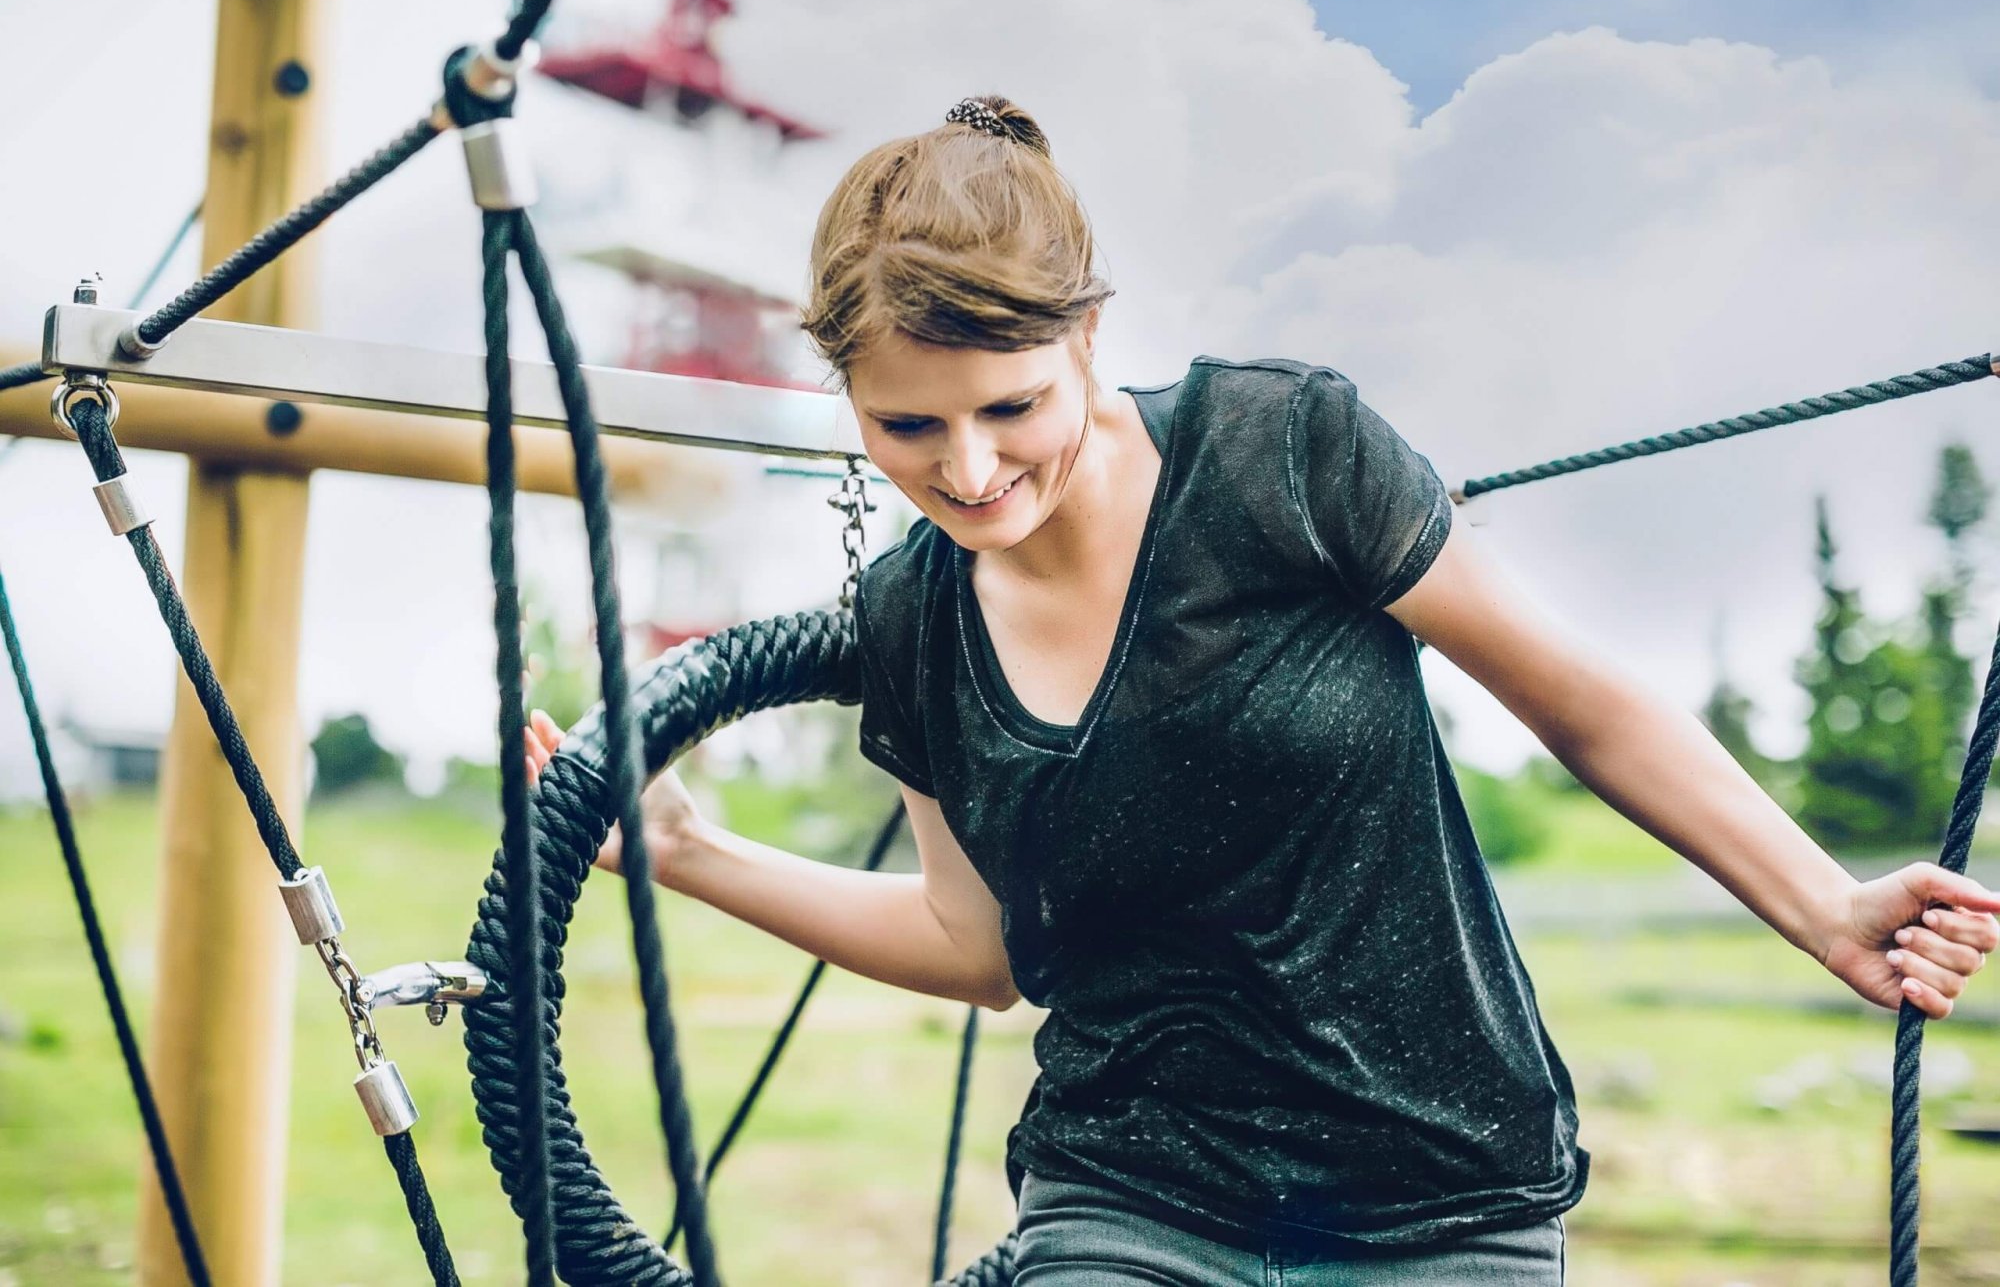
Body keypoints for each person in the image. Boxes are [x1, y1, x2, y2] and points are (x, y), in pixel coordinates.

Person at [524, 95, 2000, 1285]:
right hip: (1132, 1197)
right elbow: (973, 945)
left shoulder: (1288, 453)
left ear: (1087, 338)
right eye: (908, 426)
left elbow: (1582, 704)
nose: (968, 472)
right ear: (845, 395)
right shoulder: (910, 615)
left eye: (1011, 407)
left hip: (1442, 1191)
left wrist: (1821, 901)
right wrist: (688, 854)